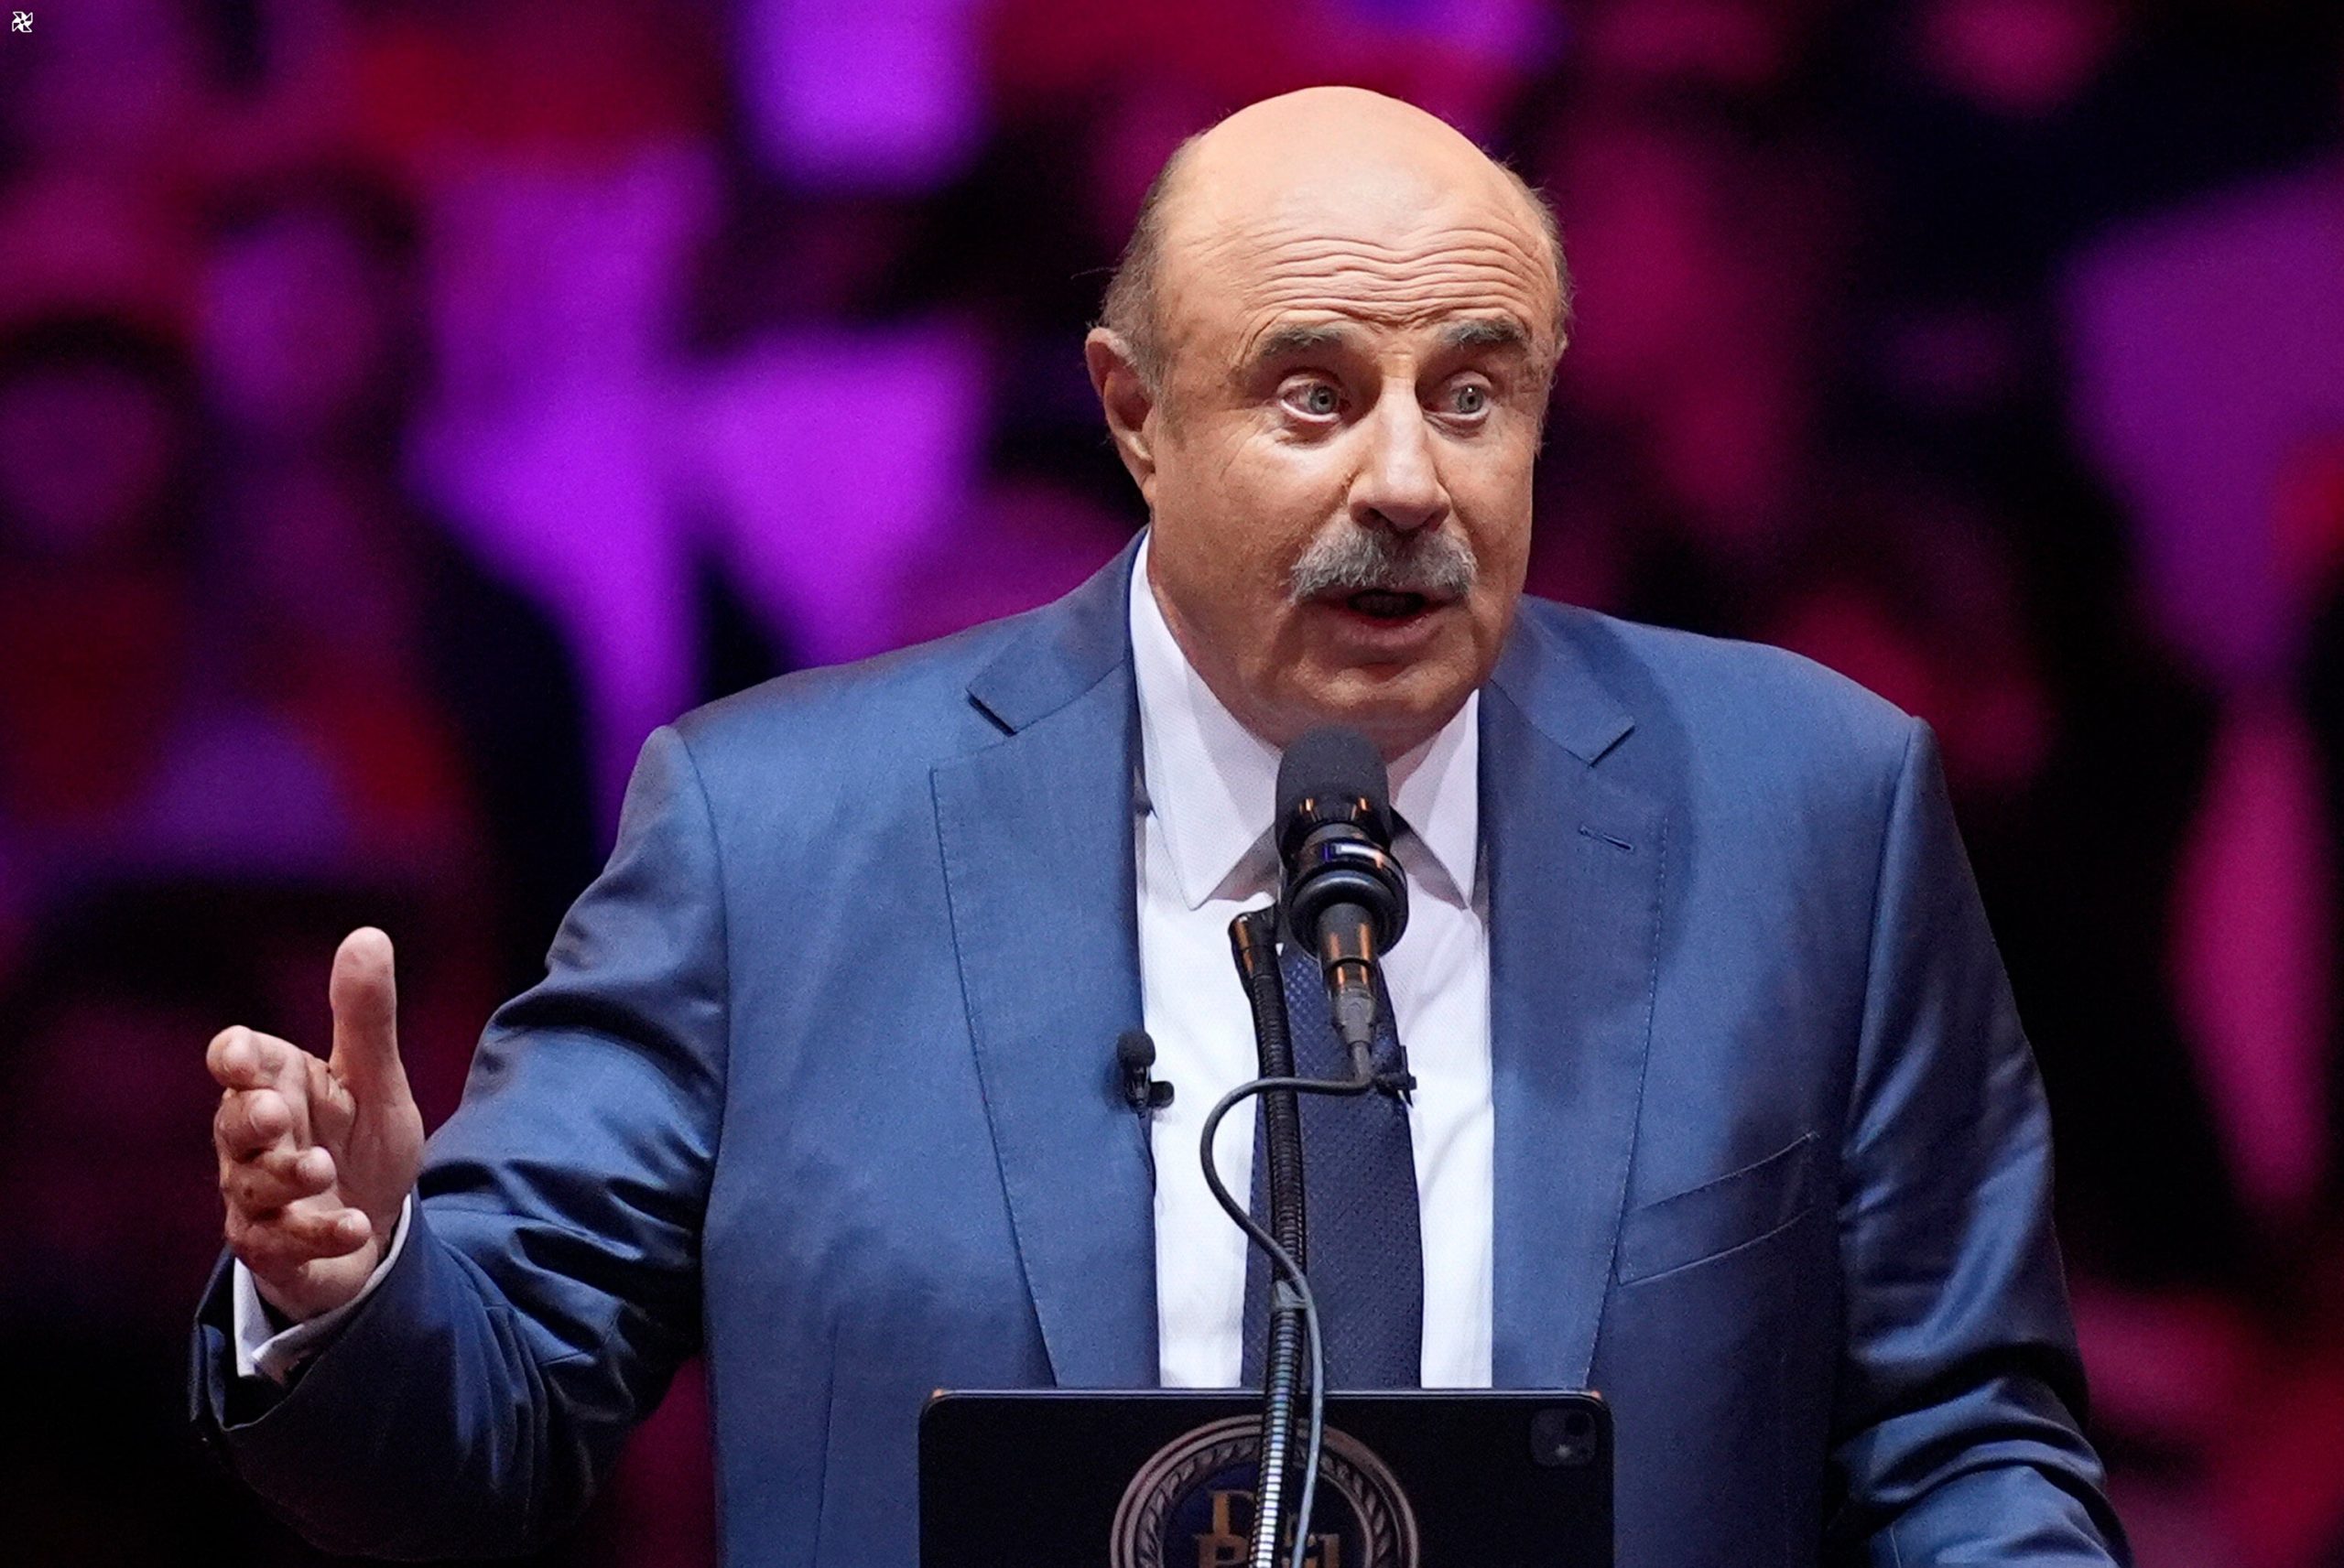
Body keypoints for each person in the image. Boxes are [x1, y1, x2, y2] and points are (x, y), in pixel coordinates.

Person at [192, 87, 2126, 1564]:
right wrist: (348, 1290)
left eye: (1472, 394)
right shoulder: (775, 841)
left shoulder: (1810, 810)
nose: (1407, 479)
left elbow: (1960, 1447)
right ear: (1135, 414)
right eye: (1314, 394)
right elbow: (477, 1427)